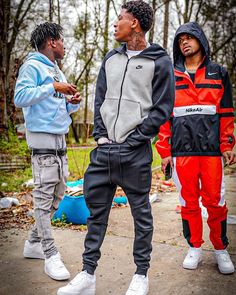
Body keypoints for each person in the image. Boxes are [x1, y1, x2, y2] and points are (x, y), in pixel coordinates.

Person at [57, 1, 175, 295]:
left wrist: (137, 139)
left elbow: (163, 108)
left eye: (119, 19)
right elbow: (100, 99)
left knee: (141, 214)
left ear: (134, 23)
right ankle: (87, 275)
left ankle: (141, 274)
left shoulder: (159, 61)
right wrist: (99, 136)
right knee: (95, 214)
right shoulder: (110, 58)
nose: (114, 24)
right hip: (104, 151)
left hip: (135, 153)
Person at [156, 22, 235, 274]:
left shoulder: (218, 73)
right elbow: (164, 117)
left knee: (215, 203)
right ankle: (195, 247)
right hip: (182, 153)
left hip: (211, 153)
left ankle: (221, 249)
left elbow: (226, 113)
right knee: (188, 204)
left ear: (201, 40)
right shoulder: (170, 75)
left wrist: (228, 144)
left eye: (190, 38)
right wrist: (165, 151)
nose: (185, 42)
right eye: (180, 40)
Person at [14, 22, 82, 281]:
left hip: (60, 144)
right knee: (43, 200)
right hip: (42, 144)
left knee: (59, 195)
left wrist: (72, 102)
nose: (64, 45)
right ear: (52, 41)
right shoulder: (32, 66)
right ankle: (50, 253)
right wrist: (54, 88)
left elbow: (61, 107)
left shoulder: (57, 71)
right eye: (62, 40)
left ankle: (33, 242)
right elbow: (20, 97)